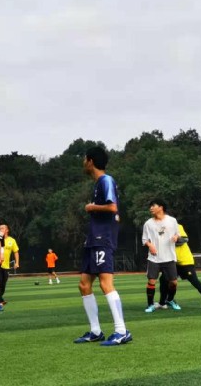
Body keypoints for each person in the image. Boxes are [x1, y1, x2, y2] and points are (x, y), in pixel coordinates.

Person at [74, 146, 132, 346]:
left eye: (84, 159)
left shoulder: (106, 180)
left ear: (90, 161)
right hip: (93, 239)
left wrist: (92, 207)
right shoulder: (98, 184)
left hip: (102, 239)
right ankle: (95, 331)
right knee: (84, 285)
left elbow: (113, 207)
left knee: (106, 284)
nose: (83, 163)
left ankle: (121, 331)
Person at [164, 222, 201, 310]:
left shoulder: (177, 226)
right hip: (173, 262)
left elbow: (184, 239)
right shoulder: (161, 230)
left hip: (185, 261)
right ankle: (166, 301)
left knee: (194, 281)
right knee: (164, 280)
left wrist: (171, 240)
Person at [142, 198, 180, 313]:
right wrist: (150, 245)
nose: (151, 208)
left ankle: (170, 300)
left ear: (161, 207)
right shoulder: (148, 223)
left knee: (173, 282)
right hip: (154, 258)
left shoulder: (172, 220)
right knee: (152, 281)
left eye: (153, 206)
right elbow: (144, 239)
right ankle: (150, 305)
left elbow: (178, 234)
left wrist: (176, 237)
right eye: (150, 206)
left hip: (169, 257)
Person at [0, 223, 19, 303]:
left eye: (3, 228)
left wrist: (17, 262)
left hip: (6, 265)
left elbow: (16, 252)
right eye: (0, 228)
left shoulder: (12, 240)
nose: (1, 230)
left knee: (3, 284)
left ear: (7, 230)